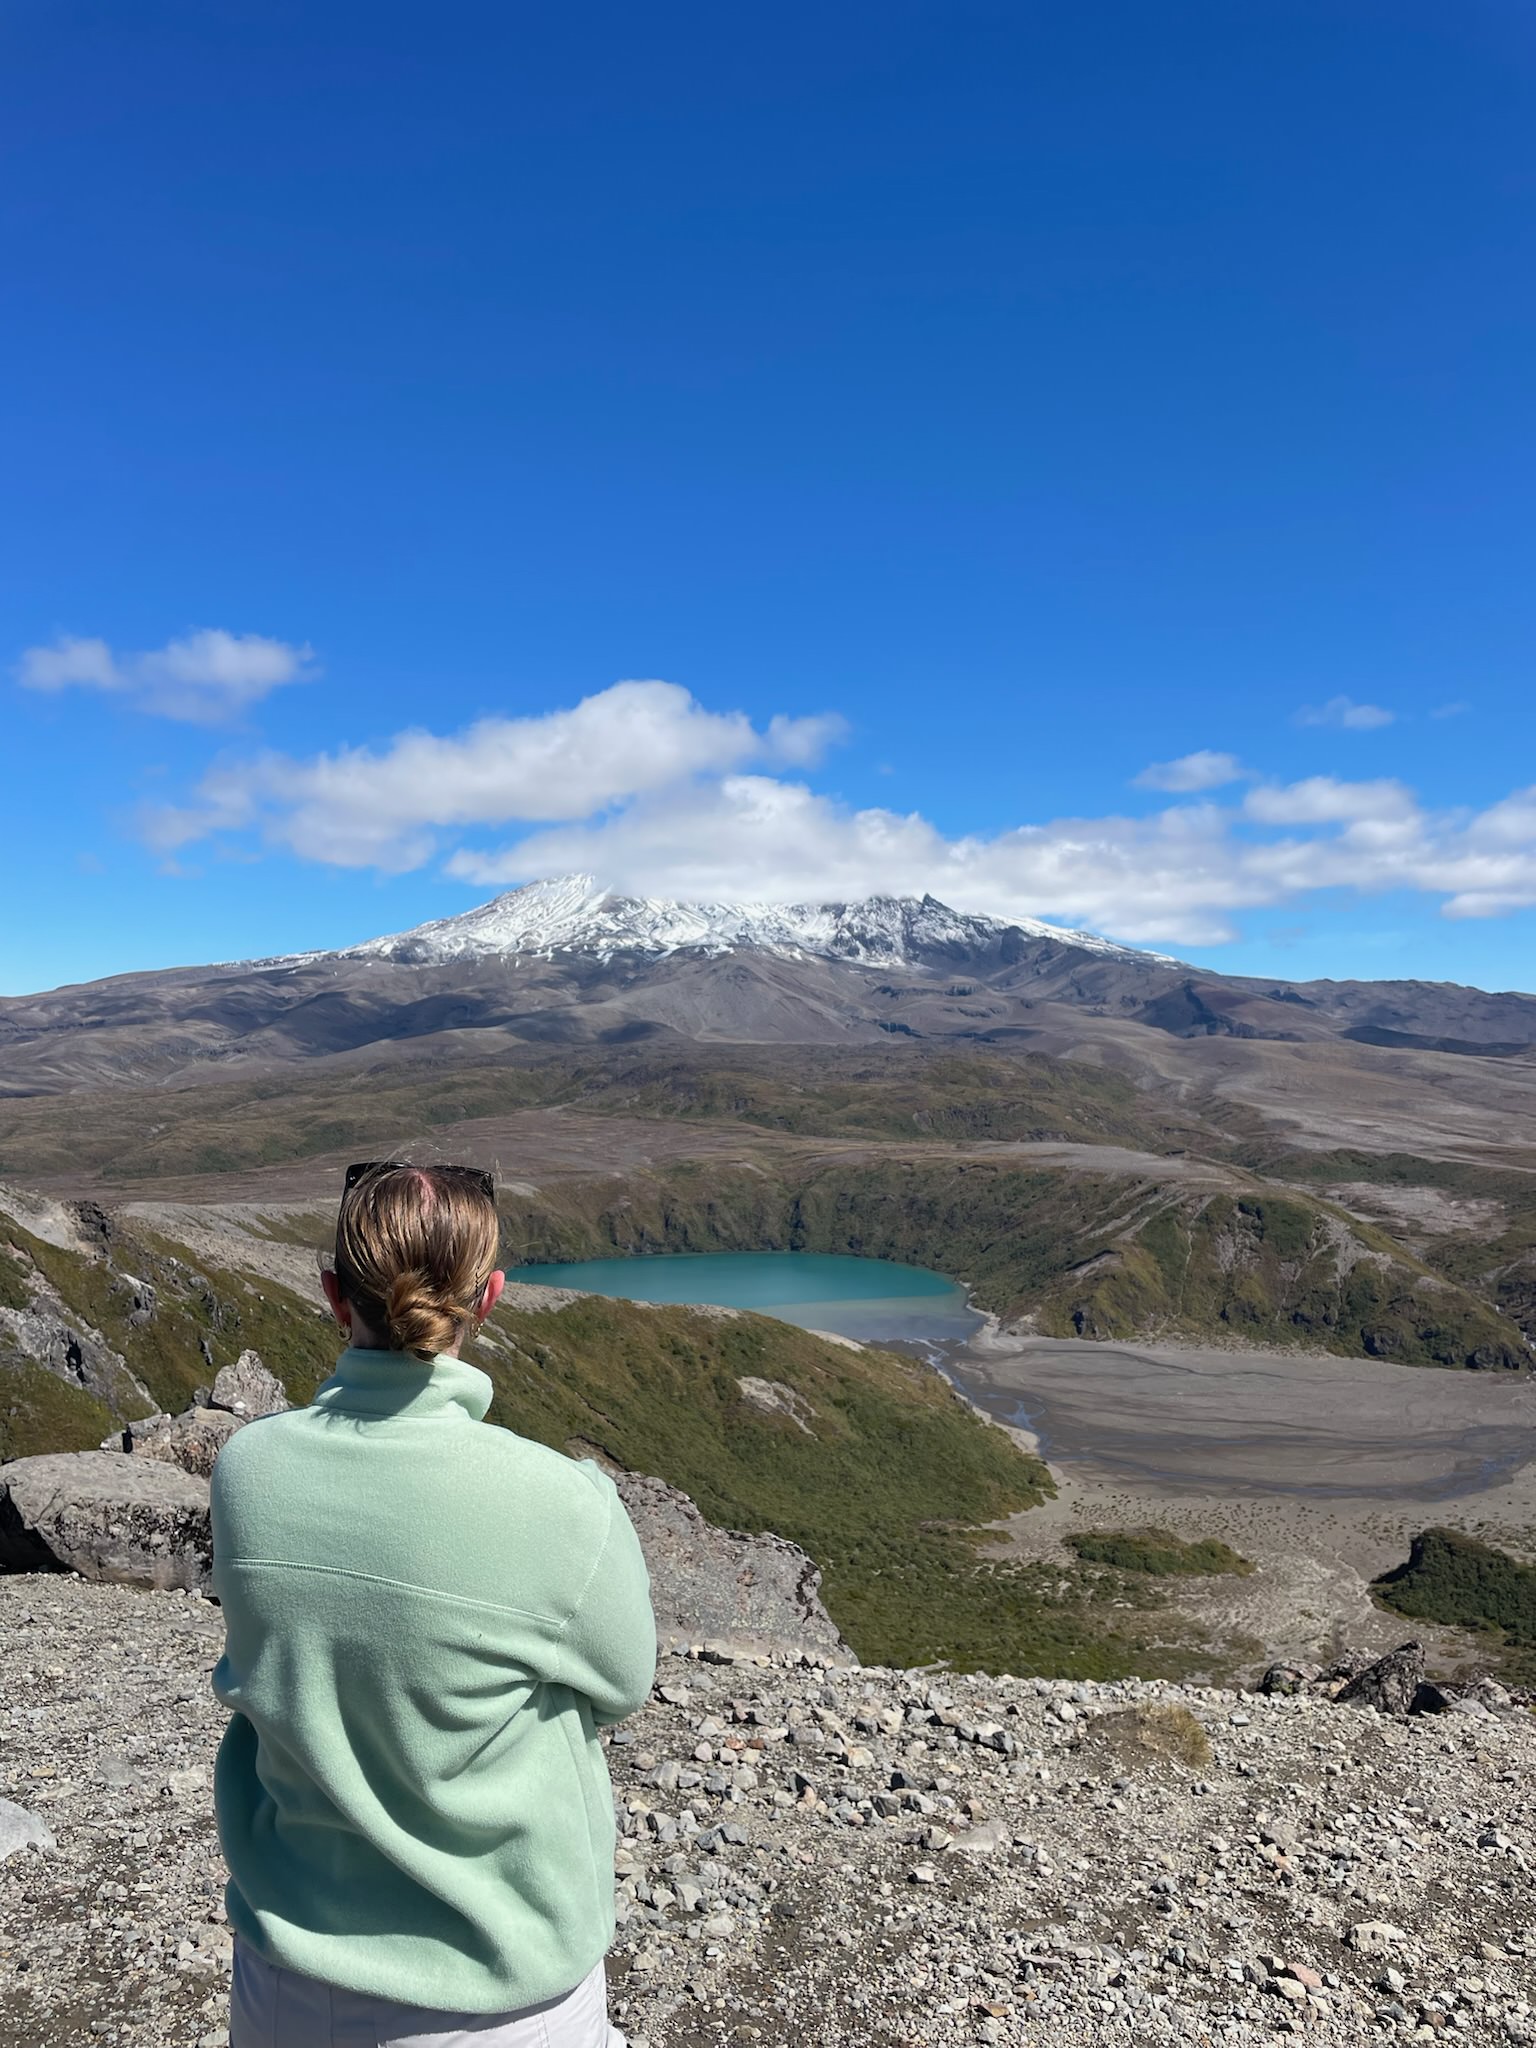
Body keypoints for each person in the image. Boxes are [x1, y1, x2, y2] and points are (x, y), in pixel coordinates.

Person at [210, 1160, 656, 2048]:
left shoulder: (247, 1471)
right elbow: (622, 1685)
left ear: (337, 1296)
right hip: (502, 1992)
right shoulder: (564, 1501)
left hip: (290, 1980)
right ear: (488, 1297)